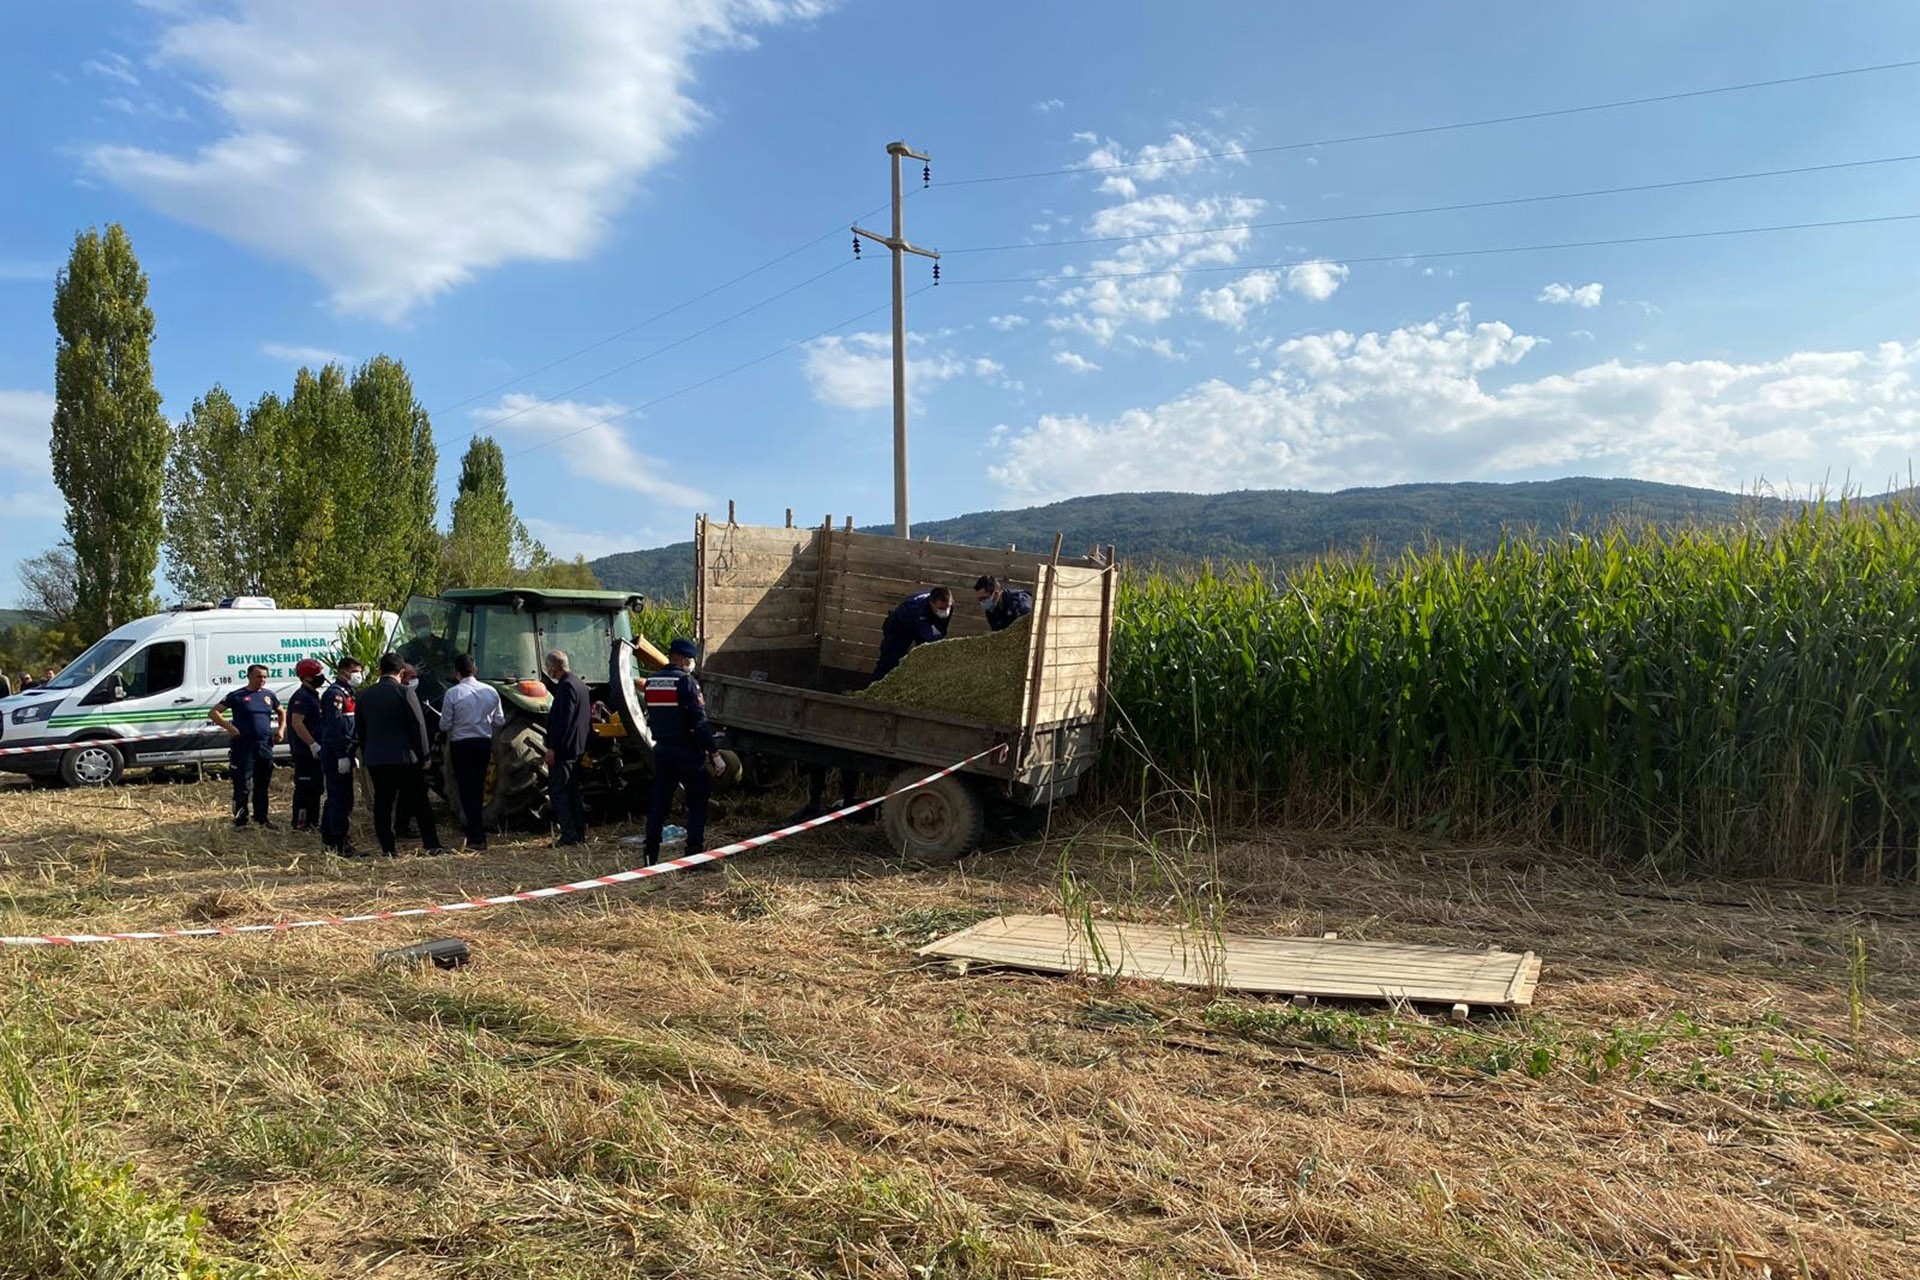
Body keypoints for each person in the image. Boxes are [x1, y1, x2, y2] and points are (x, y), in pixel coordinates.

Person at [642, 639, 728, 865]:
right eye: (689, 659)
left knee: (659, 803)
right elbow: (699, 722)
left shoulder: (651, 681)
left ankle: (650, 857)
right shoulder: (686, 682)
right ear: (682, 658)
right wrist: (714, 753)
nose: (691, 664)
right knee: (697, 802)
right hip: (687, 751)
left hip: (661, 749)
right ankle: (694, 856)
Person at [354, 651, 443, 857]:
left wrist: (368, 753)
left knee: (383, 803)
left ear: (379, 671)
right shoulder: (404, 693)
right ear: (401, 672)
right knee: (419, 800)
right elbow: (418, 725)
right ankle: (431, 844)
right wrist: (425, 756)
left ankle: (388, 848)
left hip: (377, 758)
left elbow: (361, 729)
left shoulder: (364, 695)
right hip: (404, 758)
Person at [439, 651, 504, 850]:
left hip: (462, 745)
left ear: (456, 673)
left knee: (466, 790)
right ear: (475, 670)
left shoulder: (452, 694)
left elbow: (444, 725)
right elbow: (499, 720)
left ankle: (476, 836)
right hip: (483, 744)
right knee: (477, 787)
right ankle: (477, 833)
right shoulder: (491, 691)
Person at [208, 663, 284, 828]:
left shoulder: (269, 695)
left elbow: (281, 711)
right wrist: (229, 727)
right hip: (243, 747)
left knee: (262, 784)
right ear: (249, 676)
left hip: (264, 745)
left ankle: (261, 818)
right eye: (258, 676)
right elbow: (214, 712)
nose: (262, 680)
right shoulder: (237, 696)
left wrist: (281, 730)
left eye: (264, 677)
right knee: (242, 785)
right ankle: (241, 820)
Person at [543, 649, 592, 846]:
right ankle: (579, 832)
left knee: (559, 791)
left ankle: (569, 834)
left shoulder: (565, 687)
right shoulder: (580, 685)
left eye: (548, 669)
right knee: (573, 791)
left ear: (553, 668)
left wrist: (552, 747)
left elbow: (563, 721)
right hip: (578, 747)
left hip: (565, 749)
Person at [318, 658, 365, 856]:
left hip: (344, 751)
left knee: (337, 796)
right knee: (341, 798)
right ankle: (340, 842)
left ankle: (329, 836)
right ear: (343, 671)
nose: (358, 675)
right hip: (336, 753)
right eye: (355, 671)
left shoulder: (348, 693)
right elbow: (334, 728)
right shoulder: (335, 695)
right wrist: (341, 755)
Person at [873, 586, 952, 682]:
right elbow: (927, 635)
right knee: (890, 660)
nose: (945, 611)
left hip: (924, 622)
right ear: (931, 603)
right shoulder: (913, 607)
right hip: (901, 625)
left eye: (947, 607)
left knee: (926, 658)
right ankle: (875, 685)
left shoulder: (946, 606)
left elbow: (940, 629)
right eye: (941, 608)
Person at [286, 658, 327, 832]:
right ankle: (301, 823)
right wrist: (312, 744)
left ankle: (312, 822)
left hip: (314, 751)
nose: (321, 677)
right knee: (305, 788)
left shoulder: (313, 696)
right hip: (305, 751)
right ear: (306, 678)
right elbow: (297, 723)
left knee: (316, 788)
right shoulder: (301, 697)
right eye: (316, 675)